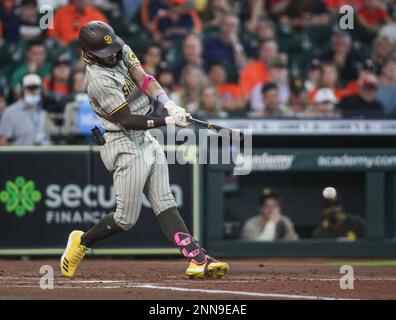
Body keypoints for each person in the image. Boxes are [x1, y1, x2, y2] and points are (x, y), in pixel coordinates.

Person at [60, 20, 228, 280]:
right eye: (106, 53)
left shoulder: (116, 46)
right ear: (89, 53)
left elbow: (144, 77)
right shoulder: (97, 80)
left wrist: (168, 103)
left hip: (145, 136)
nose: (113, 54)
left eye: (113, 49)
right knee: (125, 219)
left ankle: (197, 258)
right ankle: (81, 242)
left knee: (165, 202)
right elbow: (126, 120)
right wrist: (168, 121)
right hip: (123, 142)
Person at [0, 73, 51, 146]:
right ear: (21, 90)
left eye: (36, 88)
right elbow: (2, 142)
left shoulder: (44, 111)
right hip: (20, 156)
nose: (33, 91)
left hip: (45, 156)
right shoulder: (10, 112)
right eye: (29, 88)